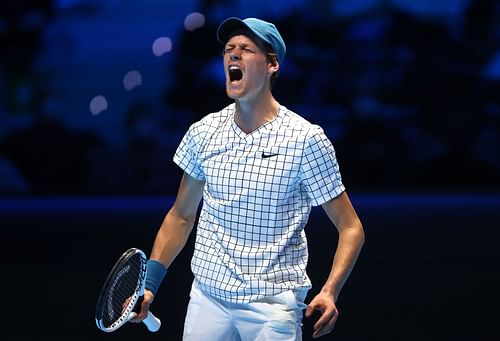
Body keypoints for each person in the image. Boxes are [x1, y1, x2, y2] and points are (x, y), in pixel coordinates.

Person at [132, 17, 365, 340]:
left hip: (272, 306)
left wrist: (330, 291)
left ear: (272, 65)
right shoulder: (203, 133)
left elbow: (350, 227)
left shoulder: (306, 139)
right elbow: (181, 216)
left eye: (245, 49)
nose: (233, 55)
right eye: (229, 50)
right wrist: (150, 285)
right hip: (208, 299)